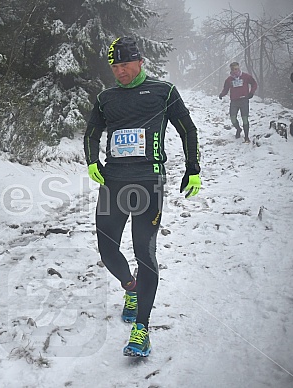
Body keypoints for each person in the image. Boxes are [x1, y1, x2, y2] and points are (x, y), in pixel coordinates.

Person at [83, 37, 201, 357]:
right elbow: (92, 132)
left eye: (125, 64)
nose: (120, 71)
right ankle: (130, 288)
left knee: (144, 253)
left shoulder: (163, 91)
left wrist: (193, 168)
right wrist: (92, 161)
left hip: (149, 182)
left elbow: (187, 129)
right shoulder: (106, 97)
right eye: (115, 66)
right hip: (114, 182)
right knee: (107, 250)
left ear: (140, 62)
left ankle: (142, 330)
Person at [218, 62, 257, 143]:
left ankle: (246, 137)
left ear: (239, 68)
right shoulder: (229, 79)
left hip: (244, 100)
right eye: (234, 69)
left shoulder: (246, 76)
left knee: (245, 119)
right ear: (231, 70)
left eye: (237, 69)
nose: (235, 71)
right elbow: (226, 89)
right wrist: (222, 94)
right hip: (234, 101)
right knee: (232, 118)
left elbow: (254, 84)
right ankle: (238, 129)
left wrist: (251, 93)